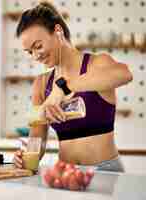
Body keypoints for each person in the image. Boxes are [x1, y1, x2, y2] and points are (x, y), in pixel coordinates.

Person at [13, 2, 133, 172]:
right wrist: (27, 157)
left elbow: (125, 74)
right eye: (29, 52)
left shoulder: (96, 64)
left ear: (58, 31)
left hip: (105, 171)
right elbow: (36, 137)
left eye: (38, 46)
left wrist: (62, 88)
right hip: (65, 173)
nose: (36, 56)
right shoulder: (41, 84)